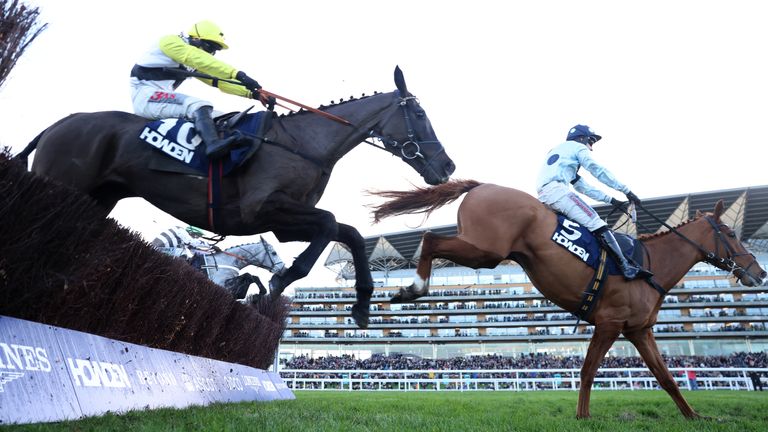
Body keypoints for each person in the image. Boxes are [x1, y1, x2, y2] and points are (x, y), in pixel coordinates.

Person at [130, 20, 266, 159]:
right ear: (195, 39)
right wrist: (237, 74)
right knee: (199, 105)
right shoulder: (170, 42)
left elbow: (217, 81)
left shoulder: (192, 59)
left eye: (213, 51)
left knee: (219, 116)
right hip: (146, 97)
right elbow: (197, 58)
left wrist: (252, 93)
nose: (210, 53)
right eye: (209, 47)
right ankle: (213, 145)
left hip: (161, 98)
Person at [536, 124, 652, 280]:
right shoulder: (577, 147)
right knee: (597, 224)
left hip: (544, 195)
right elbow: (598, 170)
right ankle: (626, 267)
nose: (591, 148)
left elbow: (582, 187)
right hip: (558, 191)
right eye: (591, 142)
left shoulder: (560, 152)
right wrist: (626, 191)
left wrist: (611, 200)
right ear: (581, 138)